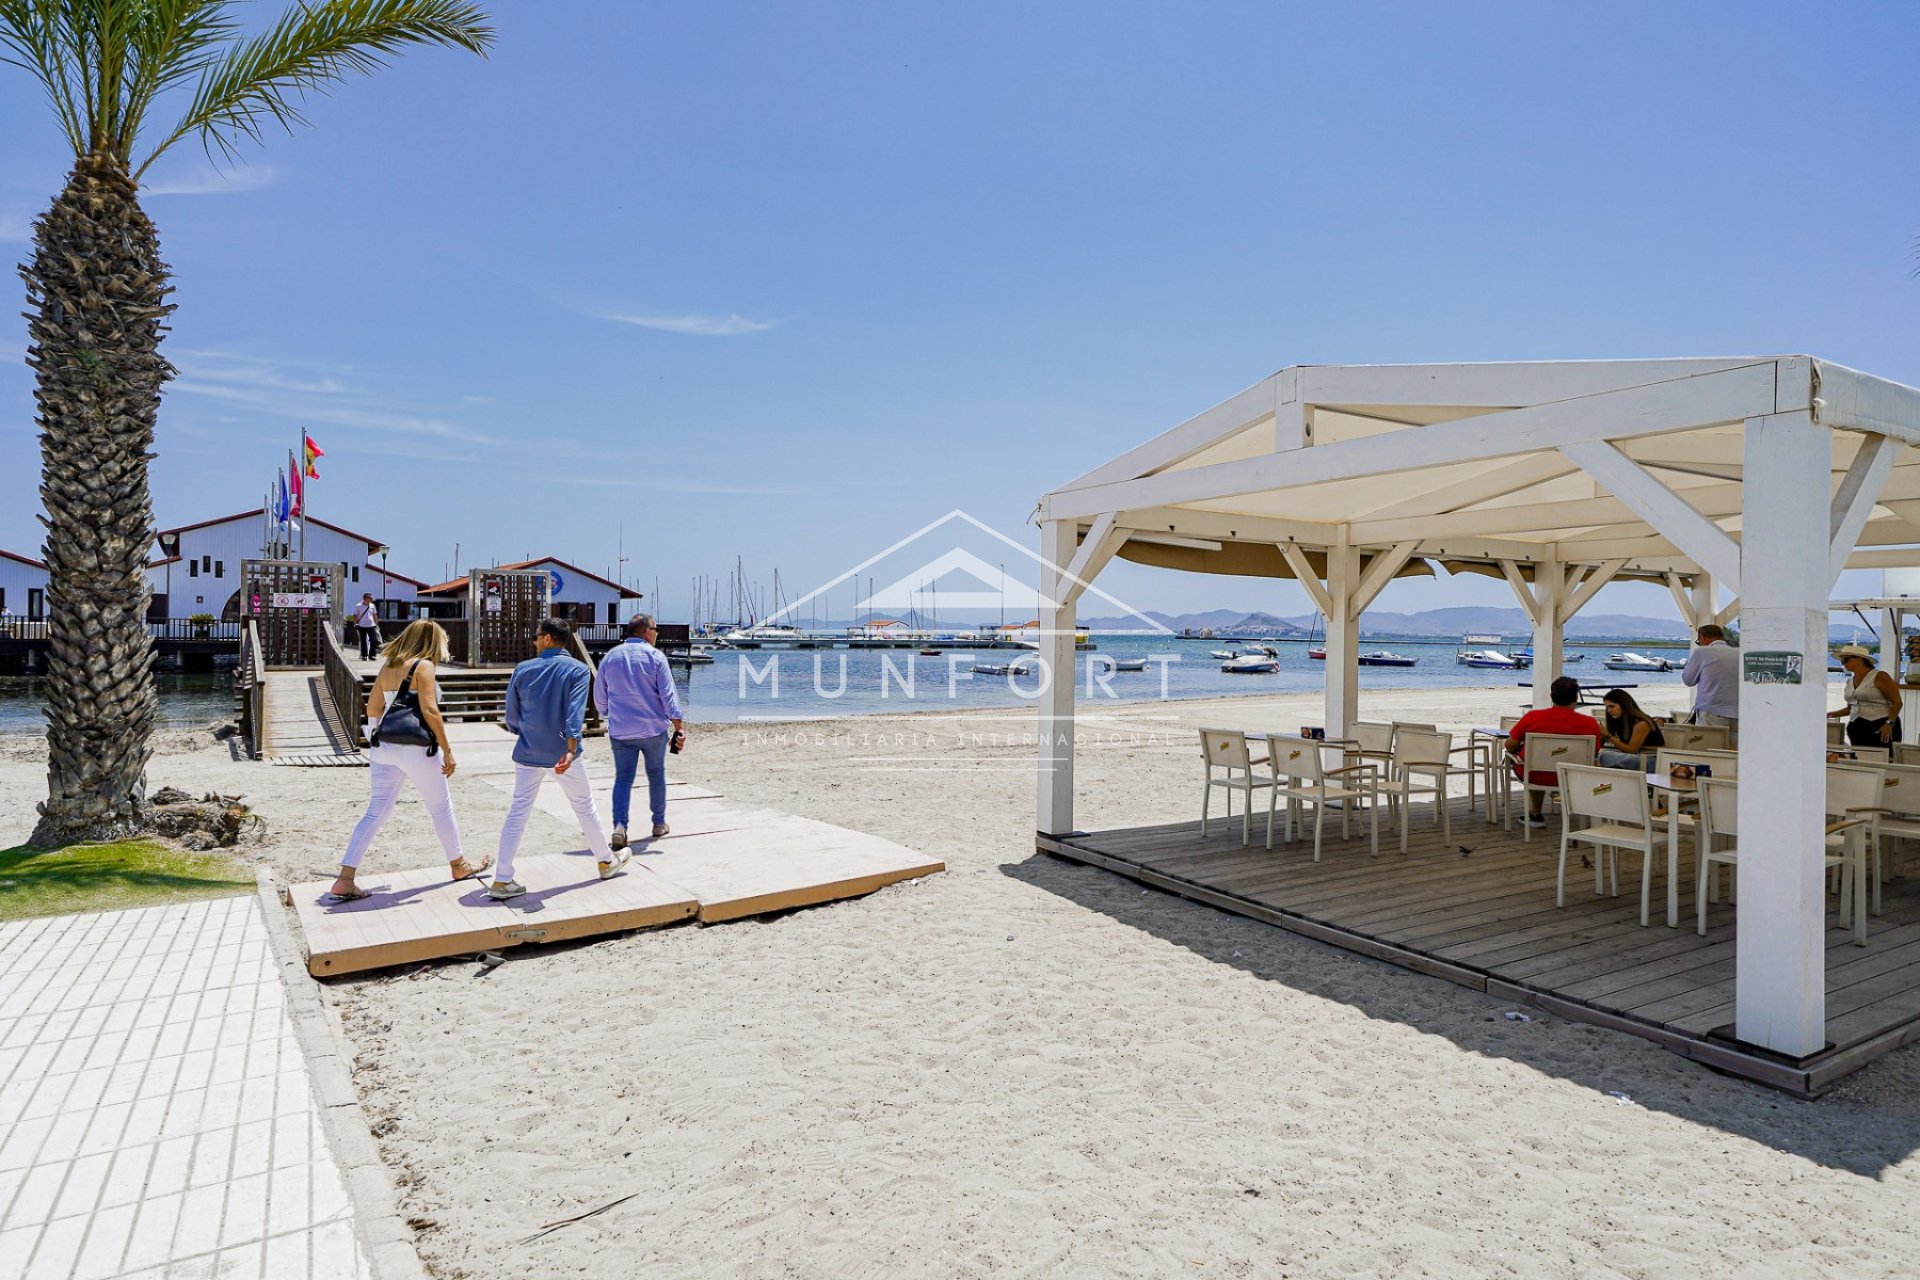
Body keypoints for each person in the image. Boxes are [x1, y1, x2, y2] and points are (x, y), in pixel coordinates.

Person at [328, 620, 486, 900]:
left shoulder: (388, 665)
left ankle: (345, 878)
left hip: (384, 747)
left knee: (377, 810)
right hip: (417, 748)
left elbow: (373, 707)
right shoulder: (423, 666)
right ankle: (459, 866)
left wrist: (384, 735)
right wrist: (447, 749)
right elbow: (430, 710)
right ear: (433, 642)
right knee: (441, 807)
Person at [490, 619, 626, 900]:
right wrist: (570, 747)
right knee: (584, 807)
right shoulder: (578, 670)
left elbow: (511, 716)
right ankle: (605, 860)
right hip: (563, 753)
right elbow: (574, 712)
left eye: (537, 636)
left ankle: (502, 879)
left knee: (518, 811)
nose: (534, 641)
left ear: (548, 638)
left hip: (527, 752)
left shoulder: (523, 669)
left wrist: (525, 732)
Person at [594, 613, 686, 848]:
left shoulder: (610, 657)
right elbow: (668, 695)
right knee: (656, 774)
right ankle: (658, 823)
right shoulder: (656, 657)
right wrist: (679, 727)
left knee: (623, 778)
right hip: (652, 729)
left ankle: (620, 825)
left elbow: (599, 696)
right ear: (646, 631)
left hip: (621, 729)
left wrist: (607, 713)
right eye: (655, 629)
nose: (657, 634)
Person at [1505, 675, 1607, 827]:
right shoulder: (1590, 724)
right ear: (1575, 699)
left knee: (1531, 762)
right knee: (1547, 762)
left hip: (1535, 776)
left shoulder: (1533, 717)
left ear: (1551, 696)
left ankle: (1535, 813)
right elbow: (1594, 752)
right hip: (1572, 777)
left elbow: (1509, 745)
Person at [1830, 643, 1903, 748]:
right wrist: (1829, 715)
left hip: (1881, 725)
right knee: (1860, 759)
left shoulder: (1880, 676)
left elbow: (1897, 702)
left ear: (1860, 659)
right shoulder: (1850, 681)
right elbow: (1850, 708)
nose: (1843, 663)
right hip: (1857, 727)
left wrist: (1889, 723)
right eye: (1841, 661)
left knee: (1884, 758)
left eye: (1846, 660)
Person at [1681, 624, 1739, 731]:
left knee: (1707, 746)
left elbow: (1688, 680)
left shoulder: (1702, 652)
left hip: (1711, 712)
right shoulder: (1738, 653)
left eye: (1699, 641)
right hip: (1737, 713)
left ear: (1702, 637)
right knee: (1733, 747)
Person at [1598, 687, 1665, 770]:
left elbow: (1632, 750)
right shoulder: (1622, 722)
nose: (1609, 710)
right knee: (1602, 755)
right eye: (1607, 707)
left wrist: (1608, 735)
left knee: (1604, 756)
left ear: (1623, 705)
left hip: (1650, 760)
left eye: (1612, 706)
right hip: (1637, 757)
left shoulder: (1641, 724)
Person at [351, 592, 381, 660]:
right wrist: (355, 623)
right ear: (365, 598)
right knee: (363, 641)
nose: (371, 599)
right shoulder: (358, 606)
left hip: (371, 625)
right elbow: (355, 615)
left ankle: (372, 655)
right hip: (362, 626)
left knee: (373, 640)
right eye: (370, 598)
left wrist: (376, 623)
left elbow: (375, 615)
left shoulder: (372, 606)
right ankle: (364, 655)